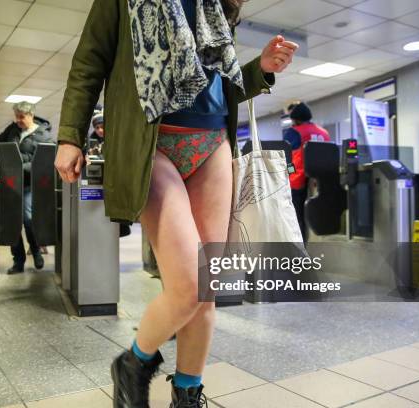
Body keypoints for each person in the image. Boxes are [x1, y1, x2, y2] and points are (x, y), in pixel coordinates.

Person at [54, 0, 297, 406]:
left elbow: (224, 77)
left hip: (212, 143)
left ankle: (187, 394)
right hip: (152, 141)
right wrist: (69, 136)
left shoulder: (217, 4)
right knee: (186, 286)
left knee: (206, 287)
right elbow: (88, 63)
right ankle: (133, 363)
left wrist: (263, 70)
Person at [0, 101, 54, 274]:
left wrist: (16, 166)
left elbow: (43, 162)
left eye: (21, 117)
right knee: (11, 223)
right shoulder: (12, 130)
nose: (18, 120)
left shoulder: (44, 136)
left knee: (28, 219)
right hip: (10, 184)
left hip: (29, 185)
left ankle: (36, 250)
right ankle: (18, 261)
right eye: (16, 117)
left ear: (31, 115)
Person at [283, 102, 330, 242]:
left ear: (296, 119)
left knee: (296, 218)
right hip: (321, 180)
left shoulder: (294, 132)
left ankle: (298, 253)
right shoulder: (324, 133)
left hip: (297, 181)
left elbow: (287, 158)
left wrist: (288, 172)